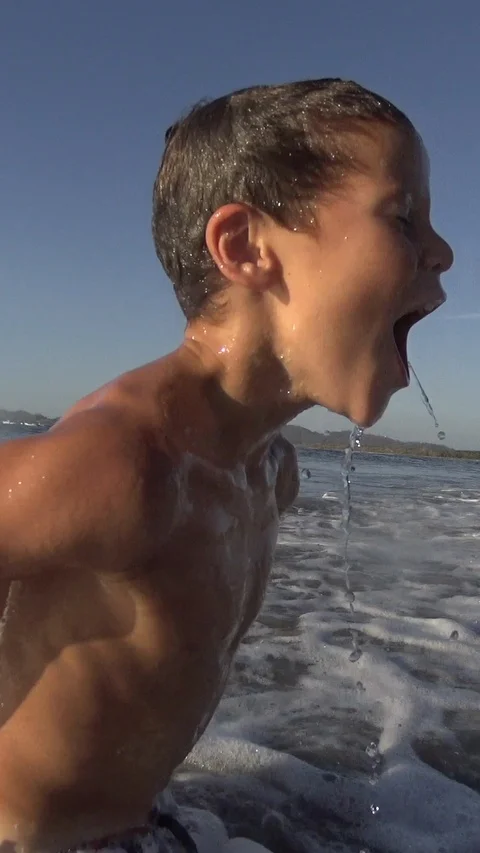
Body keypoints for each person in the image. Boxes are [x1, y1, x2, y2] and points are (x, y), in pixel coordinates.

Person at [0, 78, 453, 853]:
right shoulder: (124, 468)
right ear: (246, 249)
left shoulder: (271, 471)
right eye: (403, 217)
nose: (442, 252)